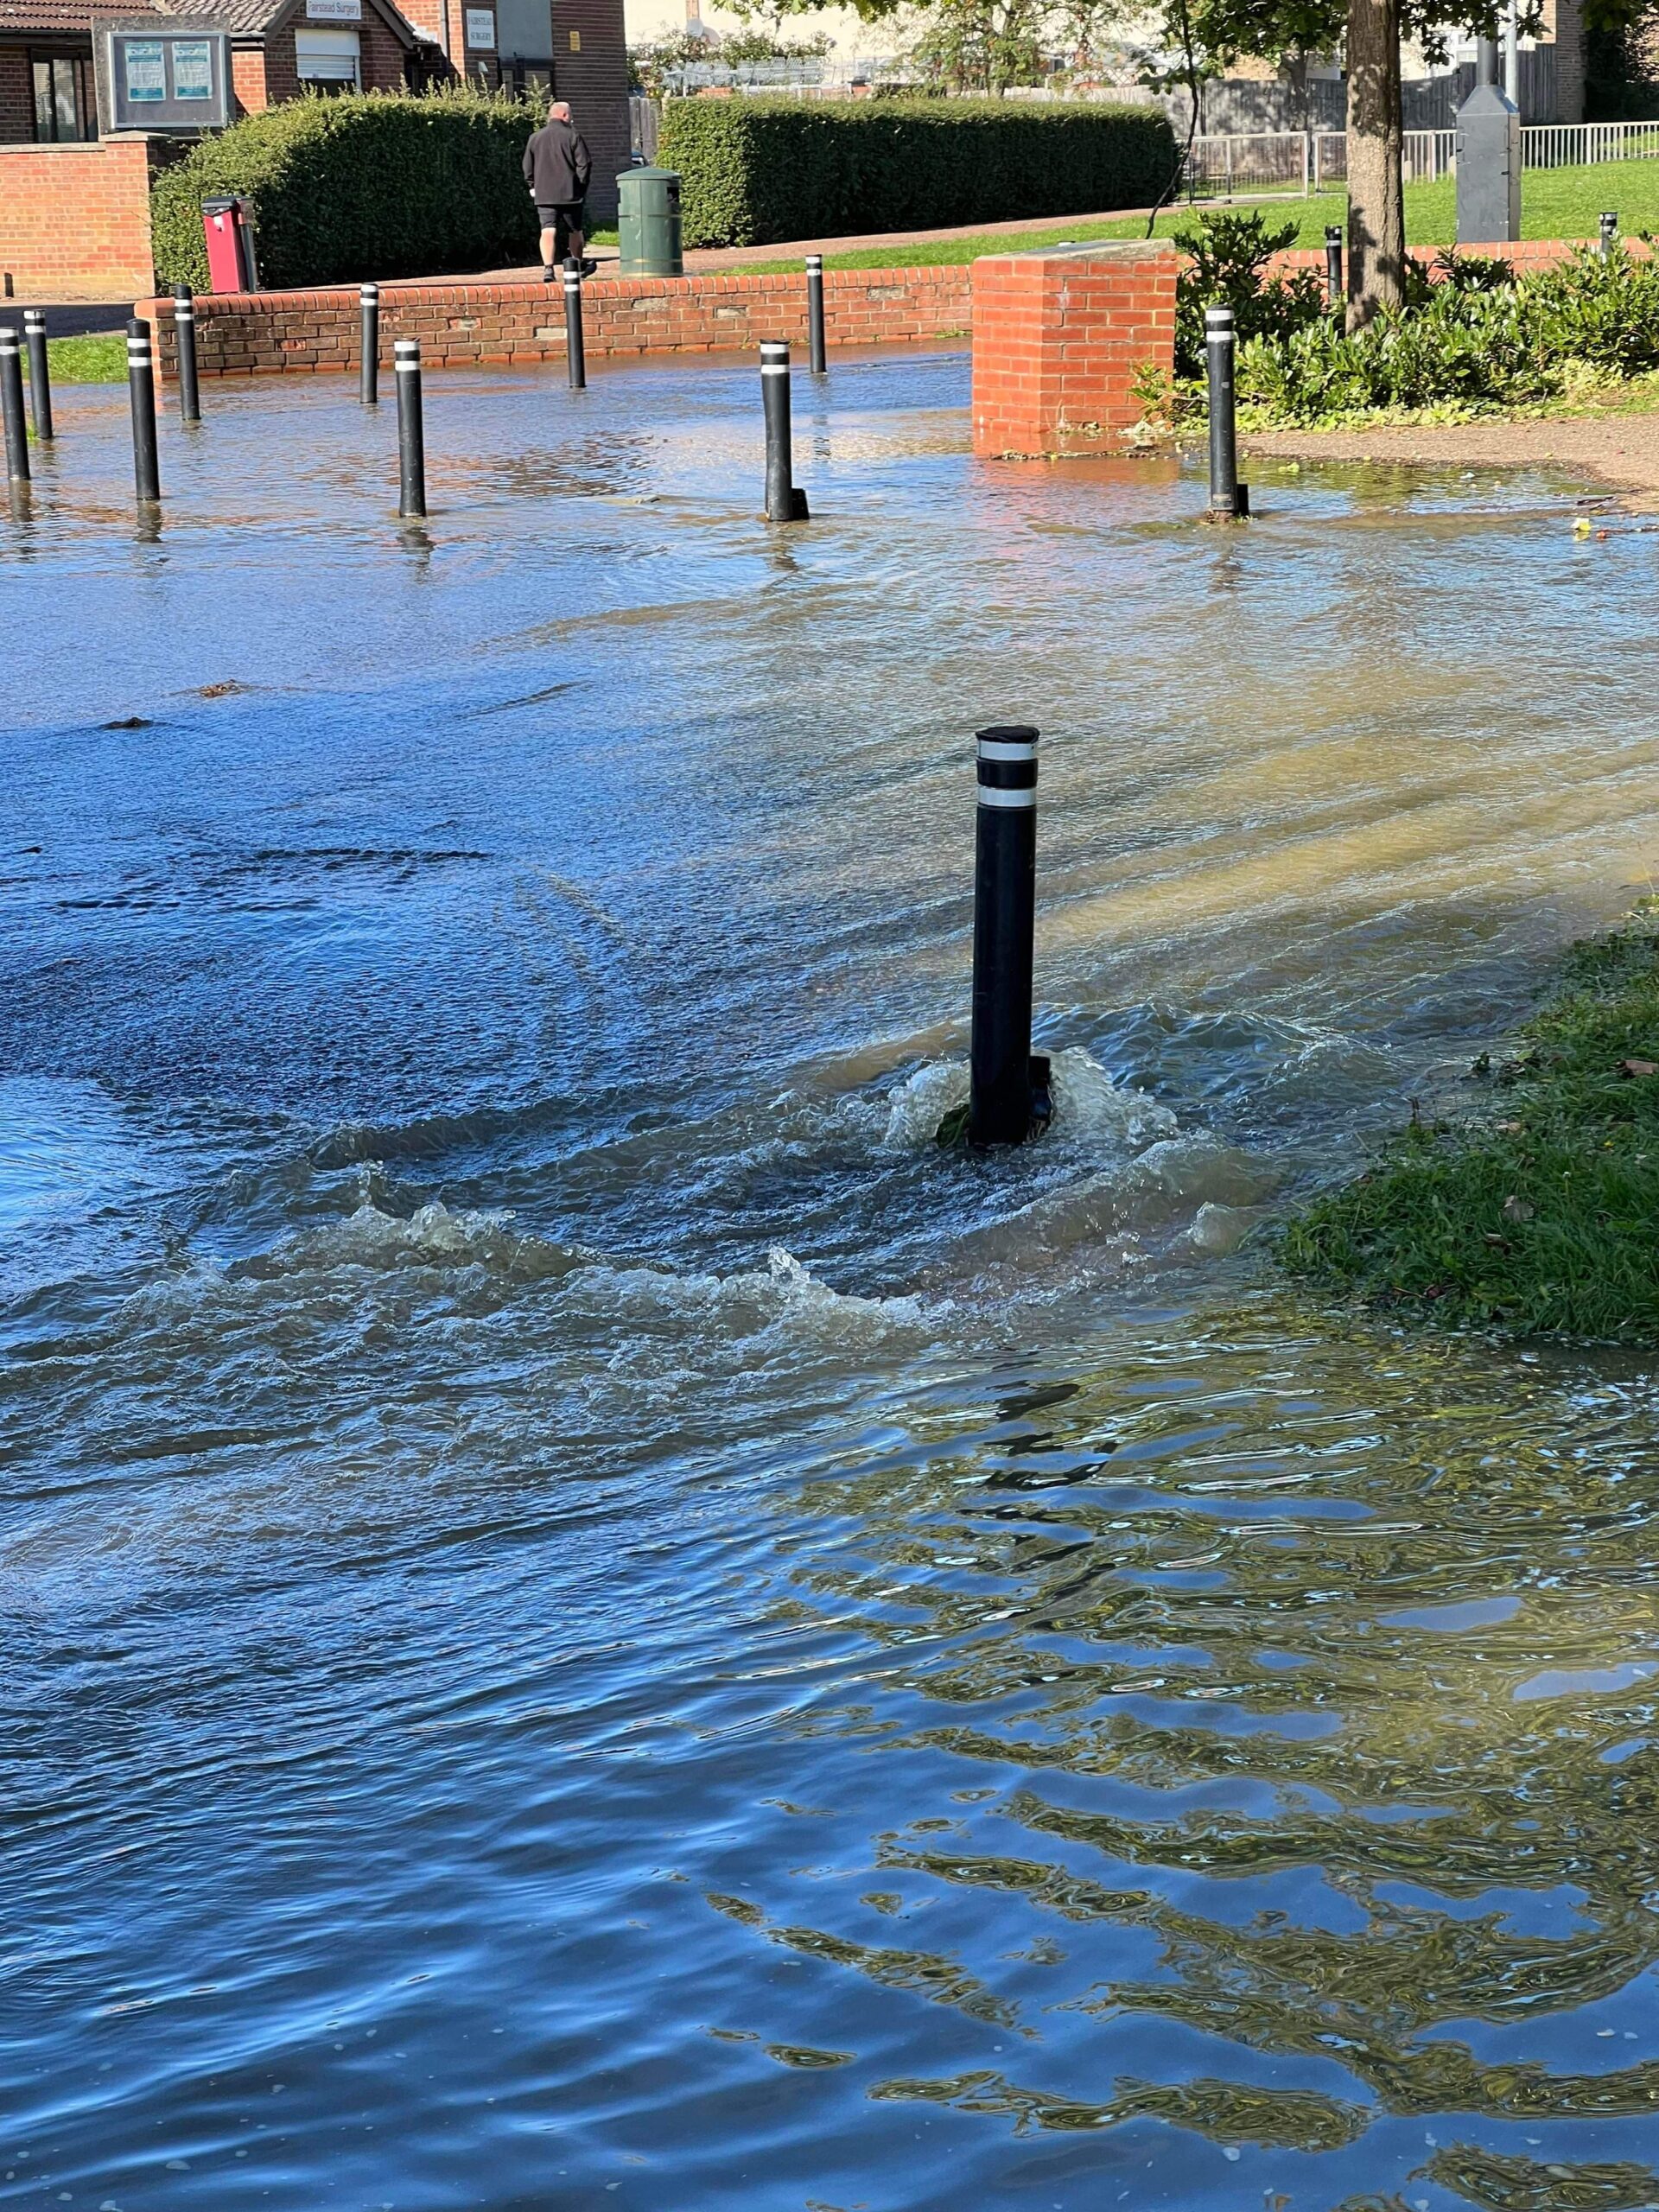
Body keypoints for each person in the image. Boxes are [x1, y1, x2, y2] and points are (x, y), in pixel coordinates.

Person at [523, 100, 595, 283]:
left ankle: (548, 269)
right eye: (570, 115)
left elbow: (527, 167)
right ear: (564, 115)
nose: (571, 118)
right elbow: (584, 164)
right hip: (571, 194)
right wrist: (581, 186)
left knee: (547, 229)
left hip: (544, 194)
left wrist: (533, 186)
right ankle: (577, 267)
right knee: (575, 231)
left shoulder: (535, 137)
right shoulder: (573, 136)